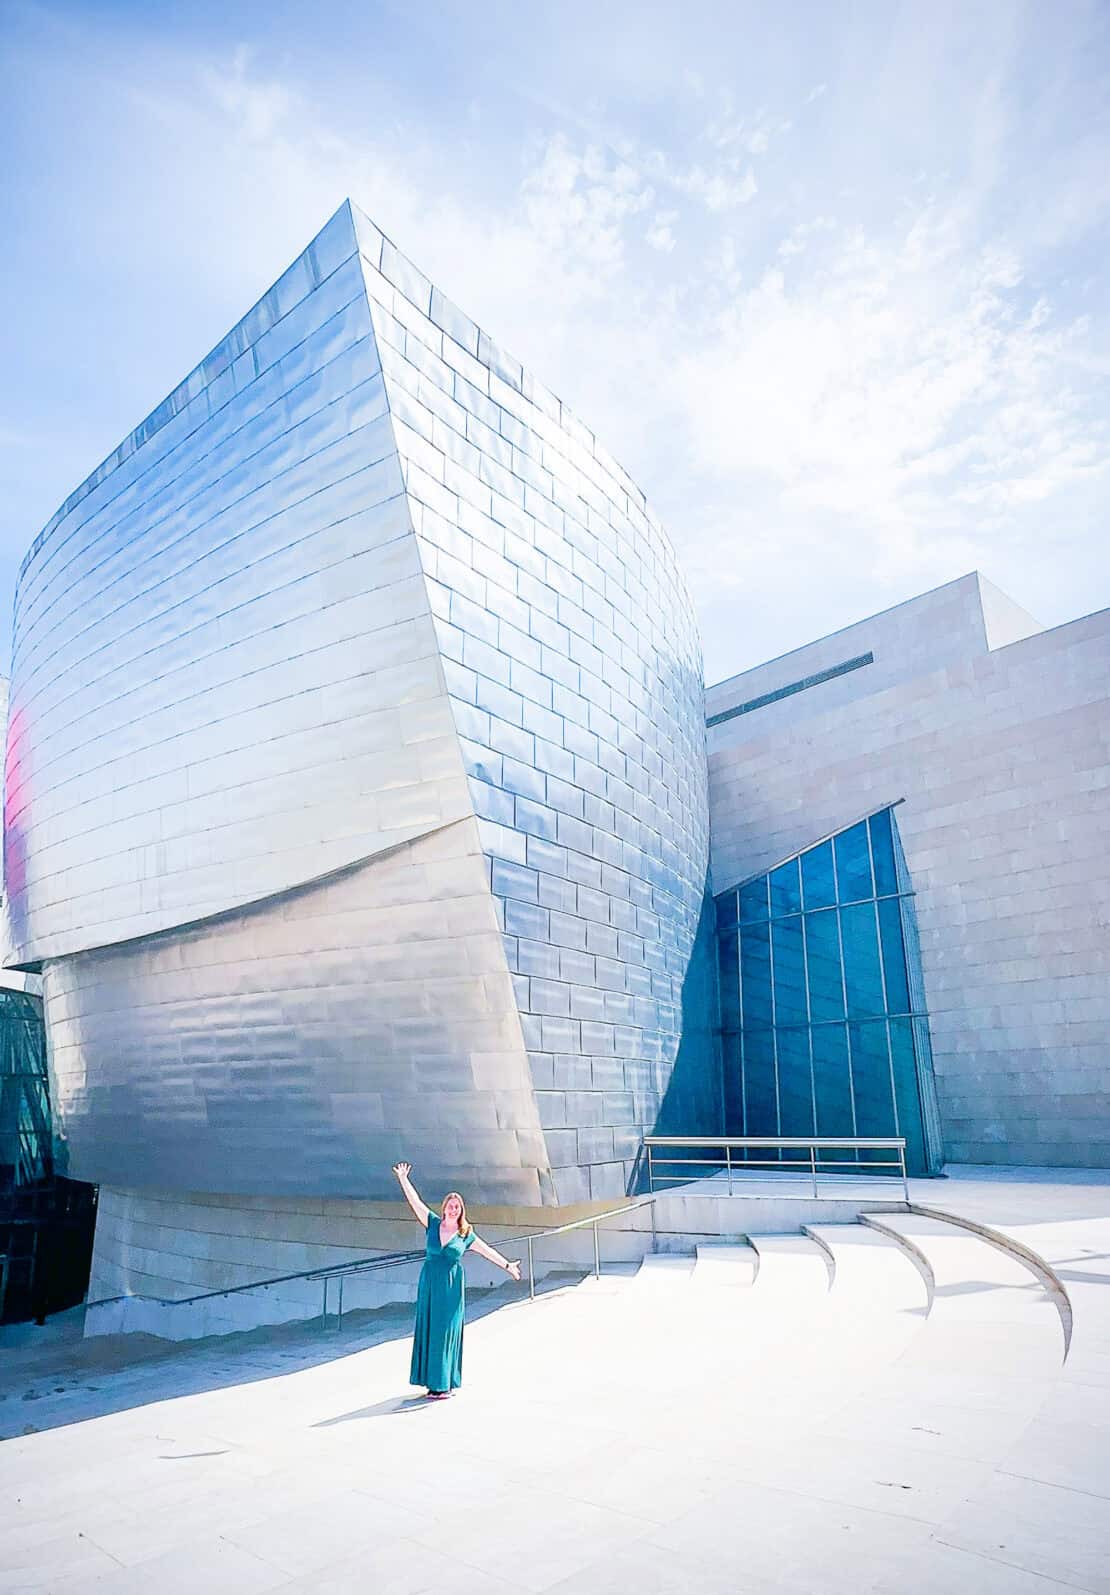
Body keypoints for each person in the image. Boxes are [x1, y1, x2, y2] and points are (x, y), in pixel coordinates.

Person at [392, 1161, 522, 1399]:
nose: (454, 1210)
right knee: (430, 1329)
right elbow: (415, 1203)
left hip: (451, 1287)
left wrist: (508, 1266)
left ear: (461, 1211)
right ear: (444, 1208)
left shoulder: (465, 1233)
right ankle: (432, 1383)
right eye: (451, 1206)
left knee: (446, 1331)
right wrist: (403, 1179)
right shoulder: (432, 1223)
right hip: (430, 1284)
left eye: (457, 1207)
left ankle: (444, 1383)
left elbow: (486, 1250)